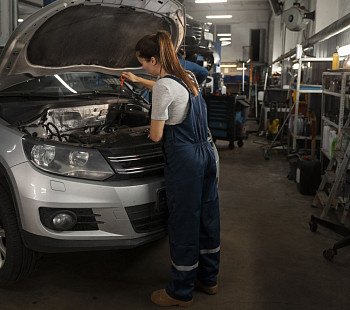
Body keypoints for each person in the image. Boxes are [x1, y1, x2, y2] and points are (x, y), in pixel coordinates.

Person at [122, 31, 220, 308]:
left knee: (184, 221)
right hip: (206, 154)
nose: (141, 67)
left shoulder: (165, 87)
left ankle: (180, 291)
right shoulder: (186, 78)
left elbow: (155, 136)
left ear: (153, 59)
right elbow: (168, 90)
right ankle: (208, 279)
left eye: (142, 64)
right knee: (207, 216)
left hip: (185, 159)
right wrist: (139, 80)